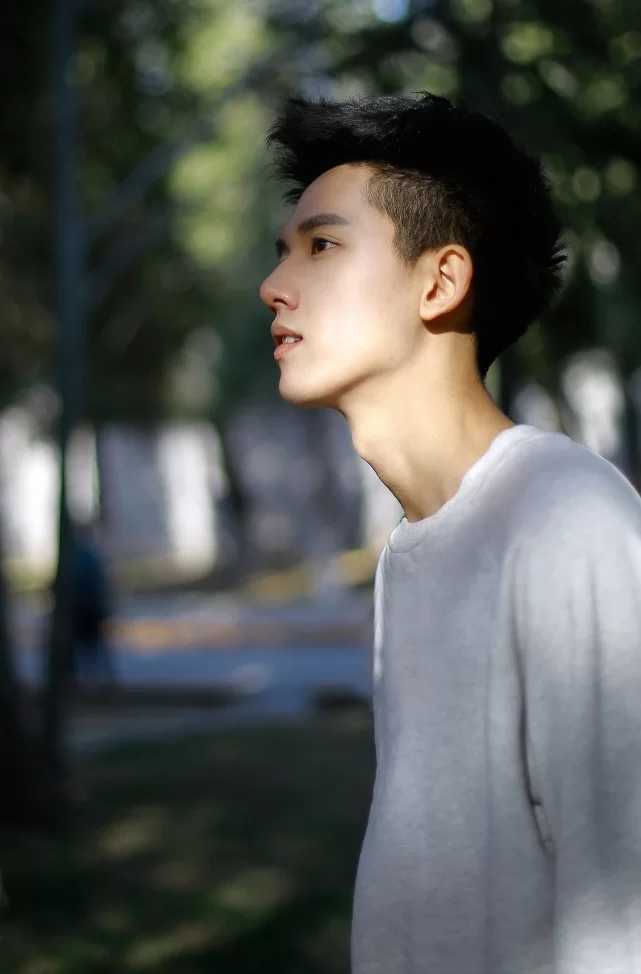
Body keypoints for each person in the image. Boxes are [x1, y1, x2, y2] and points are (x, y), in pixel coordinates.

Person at [259, 92, 641, 973]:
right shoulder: (414, 548)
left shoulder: (564, 518)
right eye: (282, 252)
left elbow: (623, 911)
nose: (273, 286)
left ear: (439, 282)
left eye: (322, 246)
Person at [71, 523, 116, 686]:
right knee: (95, 647)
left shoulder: (79, 556)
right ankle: (102, 680)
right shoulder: (92, 555)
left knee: (86, 648)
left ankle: (92, 680)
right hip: (91, 609)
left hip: (84, 610)